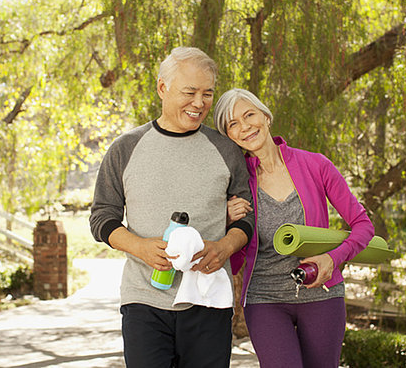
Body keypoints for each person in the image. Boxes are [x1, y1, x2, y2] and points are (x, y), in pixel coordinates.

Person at [89, 47, 255, 368]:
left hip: (209, 301)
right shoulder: (126, 148)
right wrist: (139, 247)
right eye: (189, 92)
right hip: (144, 301)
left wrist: (223, 247)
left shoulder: (226, 150)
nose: (199, 103)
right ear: (162, 88)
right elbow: (102, 218)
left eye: (207, 94)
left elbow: (244, 219)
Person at [213, 88, 375, 368]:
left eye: (249, 114)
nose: (245, 126)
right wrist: (224, 221)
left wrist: (331, 258)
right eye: (233, 124)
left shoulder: (316, 165)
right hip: (264, 299)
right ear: (229, 136)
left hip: (322, 294)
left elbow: (363, 225)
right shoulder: (235, 184)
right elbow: (230, 256)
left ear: (265, 116)